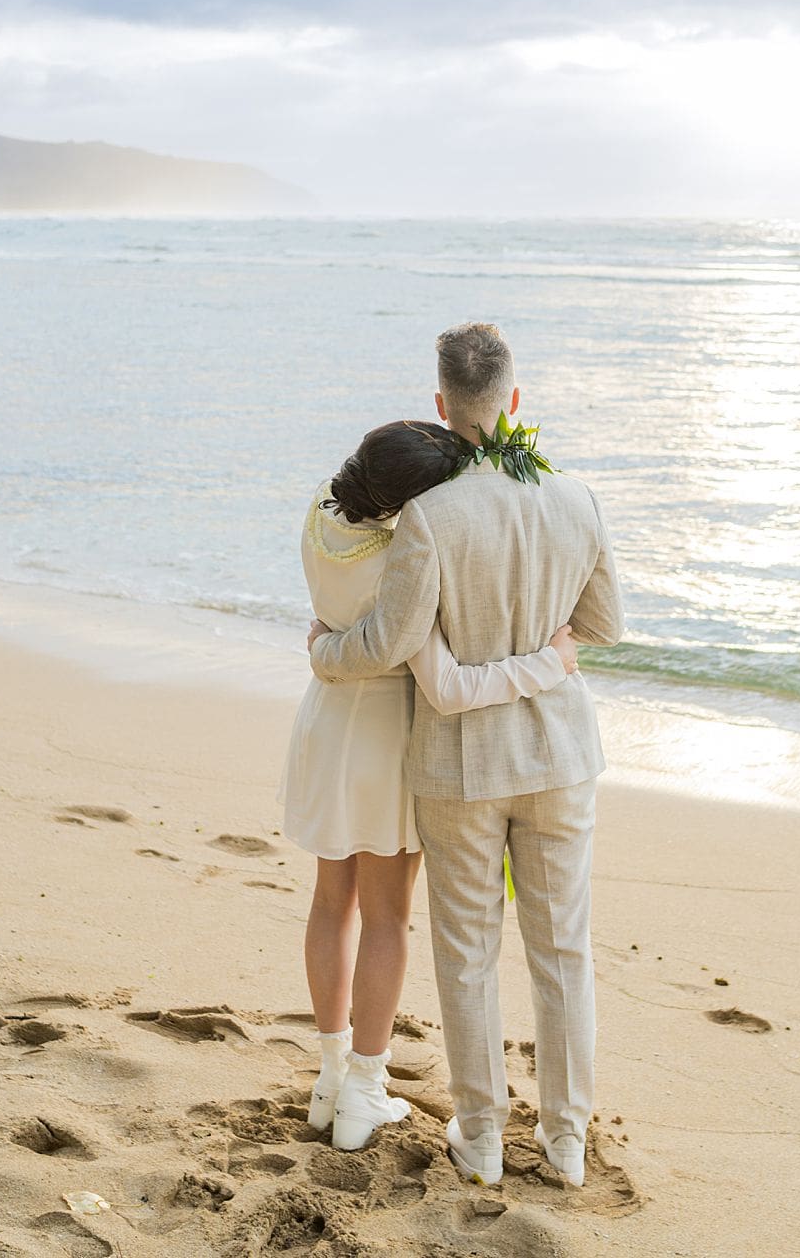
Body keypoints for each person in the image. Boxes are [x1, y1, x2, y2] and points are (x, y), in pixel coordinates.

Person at [310, 324, 622, 1188]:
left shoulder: (431, 517)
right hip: (560, 756)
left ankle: (480, 1138)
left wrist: (323, 654)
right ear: (514, 401)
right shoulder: (578, 498)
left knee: (468, 953)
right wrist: (542, 653)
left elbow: (388, 639)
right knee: (563, 951)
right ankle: (566, 1142)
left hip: (460, 767)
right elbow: (605, 626)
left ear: (443, 408)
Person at [281, 417, 579, 1152]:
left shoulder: (322, 509)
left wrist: (323, 648)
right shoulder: (412, 544)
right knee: (388, 917)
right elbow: (412, 652)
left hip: (325, 726)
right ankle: (365, 1092)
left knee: (330, 900)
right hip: (391, 734)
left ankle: (328, 1075)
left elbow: (329, 627)